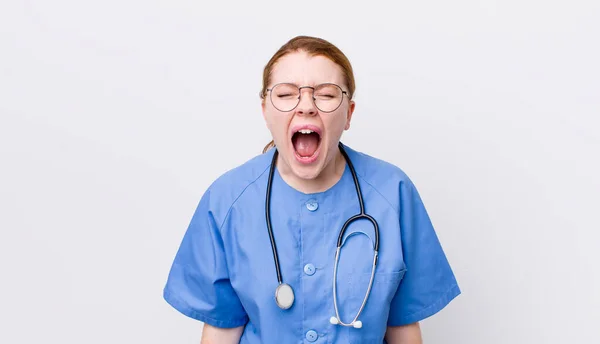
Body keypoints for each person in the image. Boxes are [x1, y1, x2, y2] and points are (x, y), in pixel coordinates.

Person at [163, 35, 461, 343]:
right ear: (265, 110)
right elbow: (221, 330)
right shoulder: (226, 200)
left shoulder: (393, 194)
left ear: (349, 113)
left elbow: (403, 328)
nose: (306, 106)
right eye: (287, 93)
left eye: (327, 95)